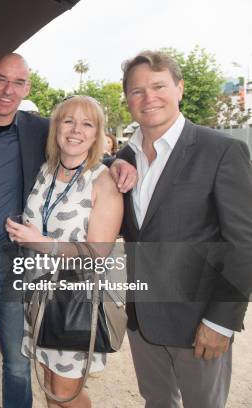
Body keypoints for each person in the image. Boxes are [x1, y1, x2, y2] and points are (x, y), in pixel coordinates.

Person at [0, 53, 136, 408]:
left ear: (26, 89)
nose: (8, 90)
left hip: (14, 268)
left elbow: (80, 147)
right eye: (2, 79)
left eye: (18, 82)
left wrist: (121, 161)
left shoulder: (38, 129)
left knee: (19, 364)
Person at [118, 50, 252, 408]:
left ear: (179, 88)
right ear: (127, 98)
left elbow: (243, 244)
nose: (149, 98)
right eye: (137, 90)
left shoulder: (222, 151)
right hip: (141, 319)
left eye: (159, 86)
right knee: (157, 402)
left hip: (198, 323)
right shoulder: (124, 158)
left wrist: (222, 320)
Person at [5, 95, 123, 408]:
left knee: (65, 392)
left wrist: (39, 242)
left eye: (87, 124)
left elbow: (98, 253)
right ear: (56, 127)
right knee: (47, 383)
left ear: (98, 134)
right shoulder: (46, 170)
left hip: (73, 302)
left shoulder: (103, 182)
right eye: (68, 121)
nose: (76, 130)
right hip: (37, 295)